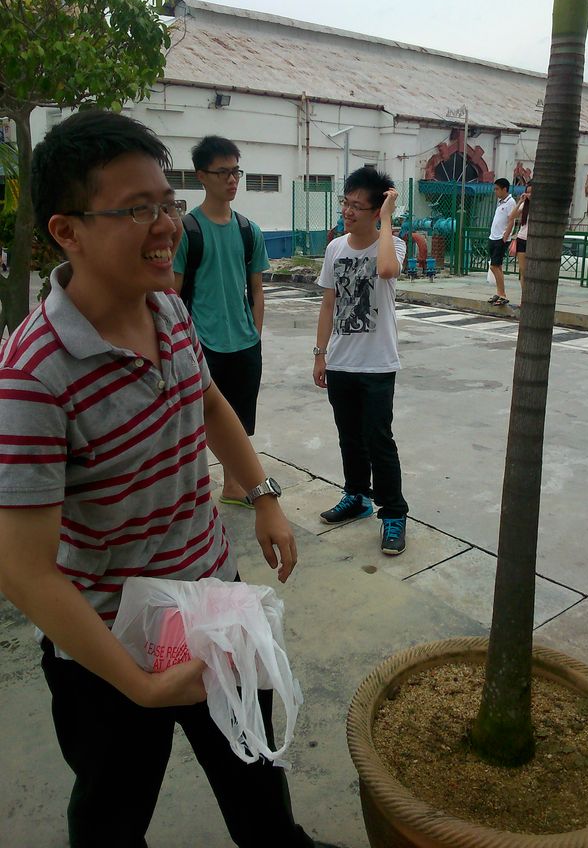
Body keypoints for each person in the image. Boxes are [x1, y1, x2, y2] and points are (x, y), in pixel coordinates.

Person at [0, 110, 336, 848]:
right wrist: (142, 684)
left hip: (213, 603)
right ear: (66, 231)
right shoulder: (32, 375)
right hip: (108, 642)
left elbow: (207, 401)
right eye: (137, 210)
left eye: (167, 203)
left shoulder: (169, 310)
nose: (166, 227)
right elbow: (23, 571)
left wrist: (263, 496)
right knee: (112, 816)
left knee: (257, 783)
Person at [313, 167, 409, 556]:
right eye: (345, 202)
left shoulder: (393, 245)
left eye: (357, 206)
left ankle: (394, 513)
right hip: (341, 362)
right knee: (349, 436)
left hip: (377, 365)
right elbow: (328, 304)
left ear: (376, 211)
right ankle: (356, 495)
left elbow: (386, 270)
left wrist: (386, 219)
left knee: (378, 440)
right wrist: (320, 354)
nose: (348, 211)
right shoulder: (335, 248)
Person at [174, 135, 269, 506]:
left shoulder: (248, 230)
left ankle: (232, 486)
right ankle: (194, 490)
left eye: (236, 172)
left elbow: (256, 289)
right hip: (202, 344)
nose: (232, 180)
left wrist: (255, 334)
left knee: (240, 420)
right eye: (223, 172)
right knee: (198, 422)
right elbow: (172, 295)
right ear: (202, 176)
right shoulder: (187, 231)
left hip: (244, 342)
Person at [487, 177, 516, 306]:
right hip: (493, 237)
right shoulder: (500, 202)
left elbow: (511, 220)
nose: (496, 191)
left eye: (497, 189)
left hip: (501, 238)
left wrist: (506, 235)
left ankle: (503, 294)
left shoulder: (511, 202)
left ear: (505, 189)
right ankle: (499, 293)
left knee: (494, 266)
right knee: (497, 266)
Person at [505, 182, 532, 304]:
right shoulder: (524, 205)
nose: (529, 194)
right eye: (528, 192)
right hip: (522, 238)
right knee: (523, 270)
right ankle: (524, 298)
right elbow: (512, 216)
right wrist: (521, 201)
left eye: (531, 192)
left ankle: (531, 296)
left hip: (534, 240)